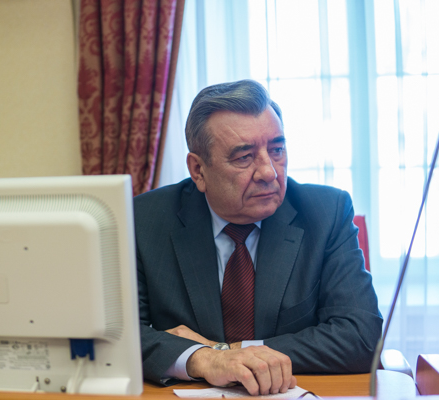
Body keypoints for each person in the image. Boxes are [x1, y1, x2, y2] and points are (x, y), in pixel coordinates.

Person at [134, 80, 382, 396]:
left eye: (277, 150)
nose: (269, 172)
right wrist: (201, 360)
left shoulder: (325, 213)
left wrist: (225, 354)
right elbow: (118, 336)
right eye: (244, 157)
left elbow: (361, 337)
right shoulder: (144, 220)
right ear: (198, 170)